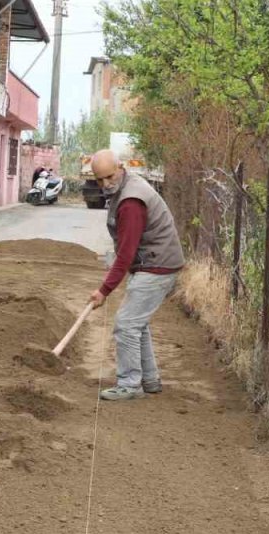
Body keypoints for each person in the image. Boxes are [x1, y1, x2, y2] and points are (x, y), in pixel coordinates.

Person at [86, 149, 185, 401]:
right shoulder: (126, 187)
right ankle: (149, 380)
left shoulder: (131, 201)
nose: (105, 184)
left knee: (126, 324)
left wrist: (104, 290)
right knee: (136, 323)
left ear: (120, 167)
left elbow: (126, 254)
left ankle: (129, 384)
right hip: (155, 262)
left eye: (109, 177)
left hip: (157, 265)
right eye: (99, 180)